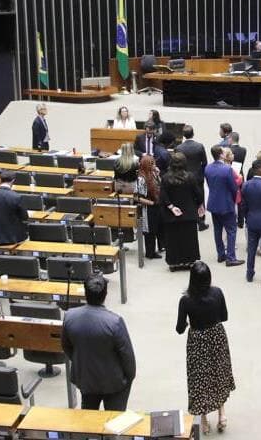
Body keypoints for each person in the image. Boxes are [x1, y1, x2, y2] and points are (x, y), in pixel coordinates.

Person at [176, 262, 235, 434]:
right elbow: (224, 316)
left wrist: (188, 323)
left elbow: (179, 328)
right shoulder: (217, 292)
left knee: (200, 378)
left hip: (197, 341)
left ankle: (203, 419)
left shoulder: (185, 300)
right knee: (218, 373)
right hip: (216, 336)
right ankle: (222, 413)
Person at [62, 274, 136, 410]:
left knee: (88, 417)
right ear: (105, 294)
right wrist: (128, 378)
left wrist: (82, 362)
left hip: (86, 379)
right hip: (114, 383)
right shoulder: (115, 322)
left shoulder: (69, 316)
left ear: (85, 293)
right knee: (114, 419)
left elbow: (66, 346)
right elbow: (127, 356)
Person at [160, 152, 204, 271]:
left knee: (173, 240)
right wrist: (199, 204)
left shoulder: (165, 178)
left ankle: (174, 262)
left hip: (171, 215)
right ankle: (189, 261)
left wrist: (171, 207)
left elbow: (163, 196)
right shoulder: (190, 177)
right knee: (189, 239)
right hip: (188, 213)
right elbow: (198, 194)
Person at [205, 145, 244, 266]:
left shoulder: (208, 168)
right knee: (231, 230)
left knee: (217, 230)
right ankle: (231, 257)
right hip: (226, 204)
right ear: (221, 154)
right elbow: (234, 187)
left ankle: (221, 254)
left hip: (213, 203)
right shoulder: (227, 169)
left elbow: (209, 184)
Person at [175, 125, 209, 231]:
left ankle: (188, 219)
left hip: (183, 177)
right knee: (199, 198)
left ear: (183, 135)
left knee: (186, 198)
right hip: (197, 177)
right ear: (193, 133)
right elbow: (205, 163)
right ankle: (201, 220)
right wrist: (201, 173)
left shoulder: (179, 148)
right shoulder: (199, 146)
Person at [0, 170, 29, 246]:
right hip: (15, 238)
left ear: (0, 180)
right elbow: (24, 217)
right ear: (13, 181)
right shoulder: (17, 197)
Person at [135, 154, 163, 259]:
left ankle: (157, 248)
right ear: (147, 165)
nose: (155, 165)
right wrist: (152, 203)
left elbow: (160, 186)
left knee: (156, 228)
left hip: (156, 205)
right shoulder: (141, 178)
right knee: (150, 232)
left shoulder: (153, 174)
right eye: (152, 164)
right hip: (148, 207)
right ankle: (150, 253)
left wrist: (158, 175)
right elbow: (137, 197)